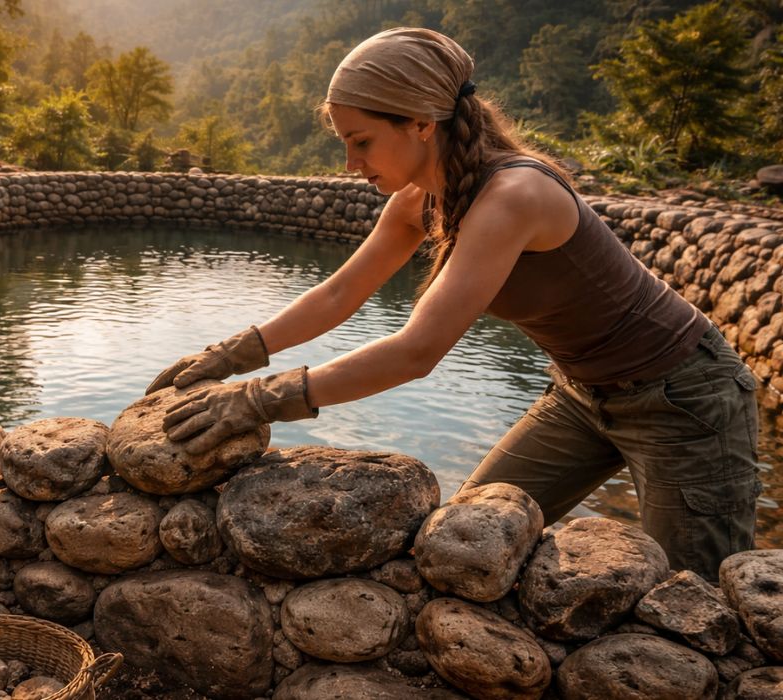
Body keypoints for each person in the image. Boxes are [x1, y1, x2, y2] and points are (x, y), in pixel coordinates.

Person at [148, 27, 761, 581]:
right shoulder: (421, 200)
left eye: (360, 141)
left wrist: (259, 400)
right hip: (581, 394)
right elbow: (338, 293)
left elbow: (416, 351)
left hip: (684, 399)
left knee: (694, 600)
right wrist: (229, 356)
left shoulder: (514, 194)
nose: (350, 163)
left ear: (420, 122)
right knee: (461, 542)